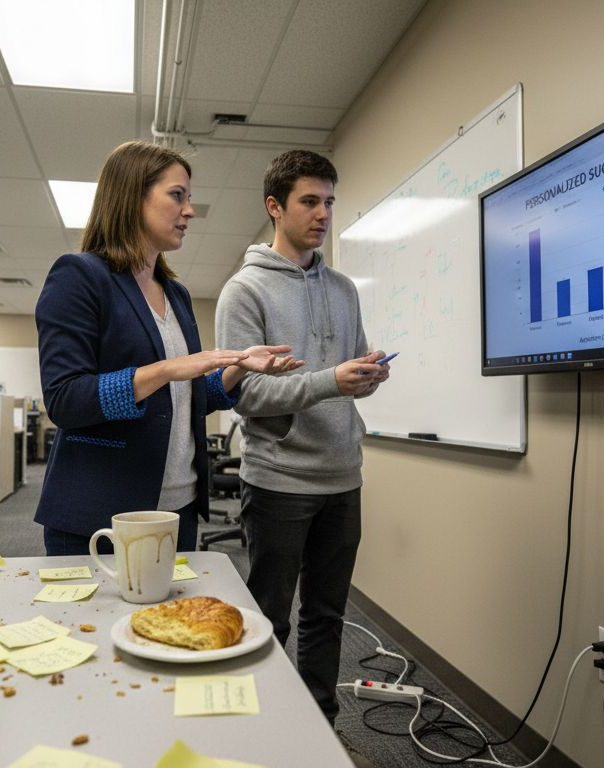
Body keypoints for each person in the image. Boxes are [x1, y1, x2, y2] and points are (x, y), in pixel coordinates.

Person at [34, 140, 303, 556]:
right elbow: (65, 400)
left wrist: (238, 368)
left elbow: (186, 397)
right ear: (131, 196)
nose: (189, 210)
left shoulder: (175, 293)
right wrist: (164, 369)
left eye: (189, 198)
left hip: (177, 508)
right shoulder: (80, 276)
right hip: (100, 513)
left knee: (171, 623)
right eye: (177, 196)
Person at [214, 149, 391, 723]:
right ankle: (258, 735)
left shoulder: (343, 287)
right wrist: (329, 381)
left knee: (326, 617)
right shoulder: (244, 291)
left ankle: (321, 733)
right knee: (268, 617)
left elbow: (343, 378)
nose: (323, 214)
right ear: (275, 207)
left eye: (330, 202)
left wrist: (363, 378)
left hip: (344, 475)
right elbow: (246, 396)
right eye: (310, 201)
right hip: (279, 481)